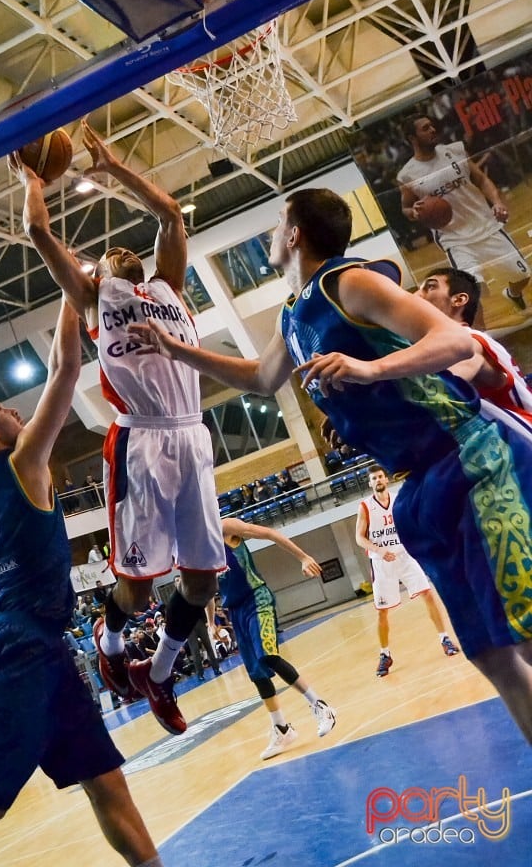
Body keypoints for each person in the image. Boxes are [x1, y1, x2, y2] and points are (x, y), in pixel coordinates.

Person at [128, 185, 532, 744]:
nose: (271, 235)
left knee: (526, 635)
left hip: (469, 459)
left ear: (294, 234)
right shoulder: (293, 316)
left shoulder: (350, 282)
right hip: (418, 488)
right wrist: (174, 349)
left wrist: (371, 370)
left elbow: (455, 340)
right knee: (491, 656)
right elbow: (258, 378)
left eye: (276, 225)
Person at [0, 299, 162, 867]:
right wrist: (70, 291)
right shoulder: (23, 460)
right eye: (2, 409)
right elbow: (65, 368)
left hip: (44, 644)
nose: (16, 412)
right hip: (20, 640)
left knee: (105, 780)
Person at [9, 120, 225, 737]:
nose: (118, 252)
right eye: (106, 257)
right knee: (137, 588)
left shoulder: (169, 286)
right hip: (141, 443)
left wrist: (113, 168)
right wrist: (32, 180)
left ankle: (158, 675)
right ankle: (109, 644)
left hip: (192, 435)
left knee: (203, 583)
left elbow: (169, 219)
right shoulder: (92, 300)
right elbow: (36, 231)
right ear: (99, 278)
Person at [217, 517, 336, 760]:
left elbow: (270, 533)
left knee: (269, 656)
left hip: (256, 599)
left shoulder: (225, 527)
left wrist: (303, 557)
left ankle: (322, 707)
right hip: (235, 611)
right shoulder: (198, 547)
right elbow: (207, 587)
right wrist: (210, 623)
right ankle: (282, 729)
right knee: (257, 674)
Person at [397, 113, 531, 312]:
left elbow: (481, 179)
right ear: (412, 138)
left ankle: (512, 293)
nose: (433, 130)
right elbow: (406, 208)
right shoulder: (407, 174)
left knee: (522, 277)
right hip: (455, 240)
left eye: (432, 125)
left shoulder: (455, 150)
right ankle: (477, 336)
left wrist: (496, 202)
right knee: (470, 290)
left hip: (487, 226)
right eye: (425, 128)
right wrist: (414, 212)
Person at [356, 465, 459, 677]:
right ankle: (385, 654)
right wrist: (379, 550)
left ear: (386, 479)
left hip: (404, 556)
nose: (378, 480)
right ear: (370, 483)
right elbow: (359, 538)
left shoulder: (398, 500)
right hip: (381, 562)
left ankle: (445, 639)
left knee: (428, 595)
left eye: (380, 476)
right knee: (382, 612)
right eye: (374, 478)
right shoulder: (365, 506)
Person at [416, 267, 532, 421]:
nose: (416, 295)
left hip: (522, 435)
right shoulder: (464, 339)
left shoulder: (466, 342)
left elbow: (434, 397)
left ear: (458, 300)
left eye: (430, 287)